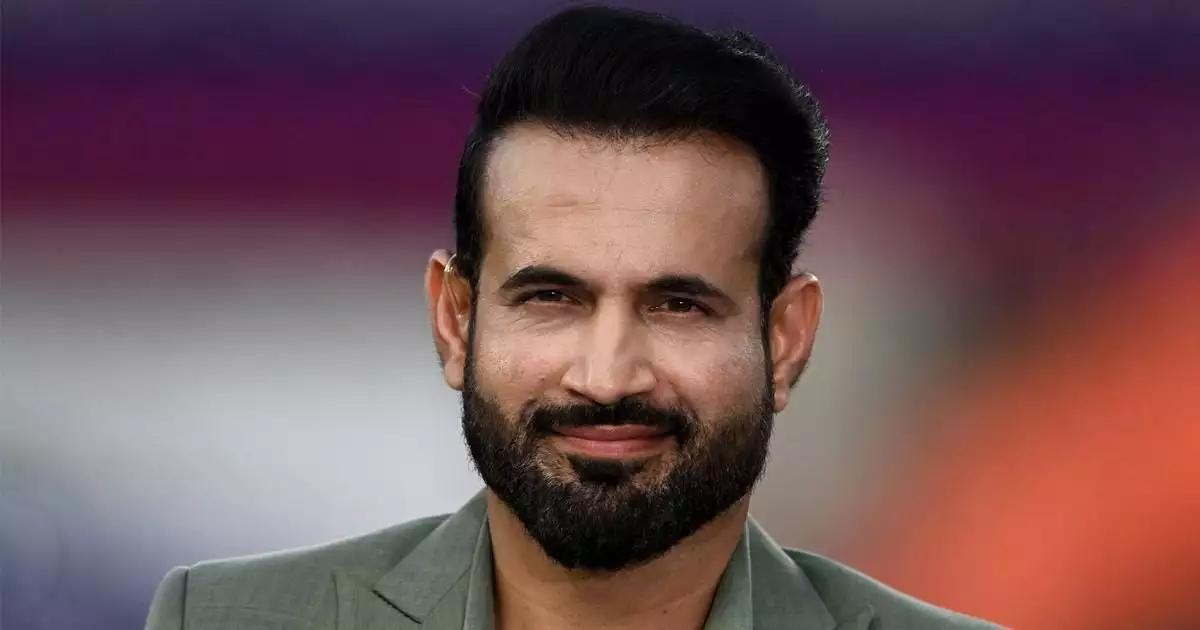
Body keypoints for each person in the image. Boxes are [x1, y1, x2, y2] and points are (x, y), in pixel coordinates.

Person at [145, 6, 998, 630]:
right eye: (551, 298)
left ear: (785, 340)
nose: (606, 375)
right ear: (455, 320)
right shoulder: (224, 620)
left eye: (678, 305)